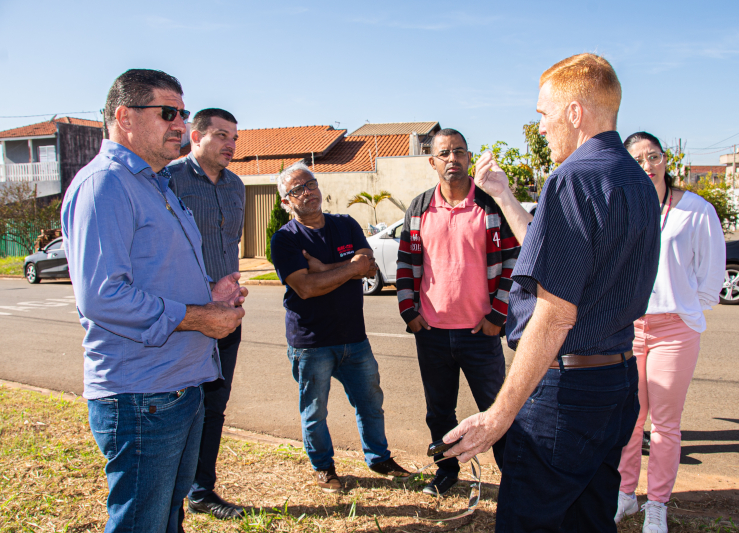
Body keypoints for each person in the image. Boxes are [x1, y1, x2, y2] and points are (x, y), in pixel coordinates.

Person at [442, 53, 661, 532]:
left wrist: (499, 415)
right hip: (617, 384)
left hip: (567, 394)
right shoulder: (640, 184)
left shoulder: (573, 179)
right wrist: (502, 194)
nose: (539, 127)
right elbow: (564, 259)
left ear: (575, 113)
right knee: (588, 519)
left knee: (530, 521)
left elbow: (556, 314)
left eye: (543, 114)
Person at [61, 69, 246, 533]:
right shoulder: (105, 184)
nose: (181, 124)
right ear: (124, 117)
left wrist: (209, 295)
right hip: (141, 394)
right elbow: (103, 296)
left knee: (167, 519)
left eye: (182, 113)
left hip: (179, 387)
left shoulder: (156, 183)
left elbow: (156, 277)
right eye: (168, 113)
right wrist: (199, 316)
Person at [270, 162, 412, 493]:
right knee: (315, 411)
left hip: (354, 338)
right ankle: (324, 468)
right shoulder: (285, 240)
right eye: (297, 190)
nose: (307, 192)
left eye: (310, 183)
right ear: (286, 202)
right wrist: (348, 268)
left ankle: (379, 458)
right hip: (311, 343)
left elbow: (368, 265)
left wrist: (324, 269)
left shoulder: (345, 224)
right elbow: (305, 288)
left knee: (370, 402)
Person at [396, 128, 519, 496]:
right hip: (432, 334)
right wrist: (409, 313)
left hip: (480, 335)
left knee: (497, 411)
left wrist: (498, 316)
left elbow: (513, 261)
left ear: (469, 158)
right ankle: (446, 472)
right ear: (432, 161)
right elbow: (404, 265)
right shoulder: (419, 209)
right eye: (445, 153)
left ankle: (515, 479)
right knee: (439, 413)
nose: (453, 159)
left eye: (460, 152)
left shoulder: (489, 206)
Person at [615, 132, 726, 533]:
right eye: (639, 159)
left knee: (664, 423)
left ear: (665, 160)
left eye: (654, 156)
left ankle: (657, 503)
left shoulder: (695, 210)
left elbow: (711, 274)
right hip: (628, 327)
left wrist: (682, 304)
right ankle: (625, 495)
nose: (648, 165)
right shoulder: (621, 207)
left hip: (674, 329)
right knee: (629, 417)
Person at [168, 108, 247, 519]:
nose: (230, 144)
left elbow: (229, 243)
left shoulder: (237, 186)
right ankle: (172, 496)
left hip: (228, 317)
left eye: (234, 137)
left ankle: (202, 491)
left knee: (215, 406)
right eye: (220, 135)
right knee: (180, 407)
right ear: (194, 136)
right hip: (187, 317)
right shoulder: (169, 180)